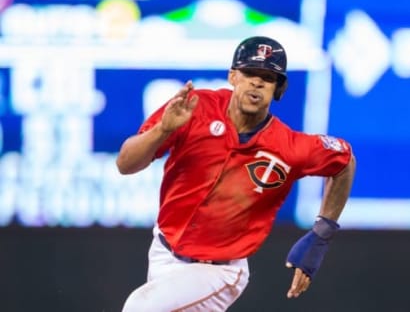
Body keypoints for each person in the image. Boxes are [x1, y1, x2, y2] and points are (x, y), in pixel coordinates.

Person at [116, 35, 356, 312]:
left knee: (140, 307)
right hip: (163, 250)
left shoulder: (290, 147)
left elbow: (345, 160)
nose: (257, 82)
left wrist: (321, 234)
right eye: (250, 73)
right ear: (233, 76)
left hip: (220, 271)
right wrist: (163, 130)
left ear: (278, 89)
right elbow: (125, 164)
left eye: (268, 77)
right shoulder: (195, 107)